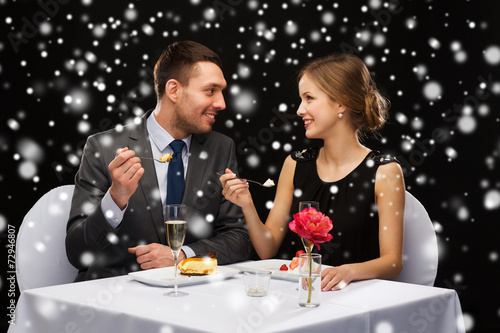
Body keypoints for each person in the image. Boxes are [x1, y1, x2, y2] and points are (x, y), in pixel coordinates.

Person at [66, 41, 253, 281]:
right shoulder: (103, 148)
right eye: (210, 90)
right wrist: (115, 200)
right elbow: (76, 252)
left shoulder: (221, 148)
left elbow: (239, 237)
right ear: (173, 90)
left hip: (194, 299)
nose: (222, 103)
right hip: (117, 300)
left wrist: (184, 256)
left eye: (221, 91)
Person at [220, 53, 405, 292]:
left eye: (309, 98)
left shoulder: (385, 171)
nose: (299, 110)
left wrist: (347, 271)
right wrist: (246, 204)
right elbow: (267, 249)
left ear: (341, 102)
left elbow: (392, 262)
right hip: (300, 296)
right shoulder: (295, 164)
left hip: (358, 298)